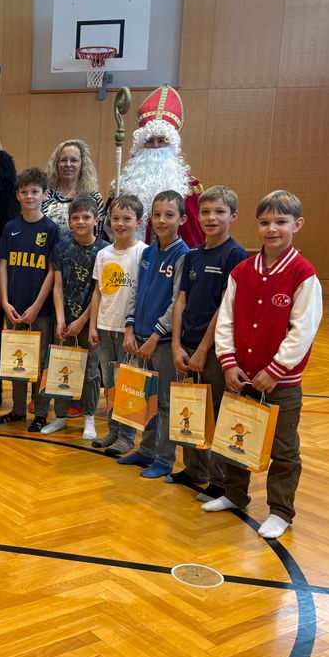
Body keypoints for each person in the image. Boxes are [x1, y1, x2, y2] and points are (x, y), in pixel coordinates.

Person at [207, 190, 322, 540]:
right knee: (235, 439)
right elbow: (224, 319)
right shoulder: (243, 270)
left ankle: (281, 511)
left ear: (297, 225)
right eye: (265, 222)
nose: (272, 229)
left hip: (281, 383)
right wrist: (227, 362)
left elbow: (303, 330)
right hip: (240, 375)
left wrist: (275, 370)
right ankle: (234, 493)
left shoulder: (304, 274)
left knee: (284, 449)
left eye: (281, 222)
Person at [168, 186, 248, 498]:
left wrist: (203, 349)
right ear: (196, 216)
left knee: (214, 413)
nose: (211, 218)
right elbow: (181, 301)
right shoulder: (192, 256)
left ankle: (218, 481)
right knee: (190, 410)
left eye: (219, 212)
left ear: (233, 216)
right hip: (186, 346)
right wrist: (177, 344)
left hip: (212, 351)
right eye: (205, 212)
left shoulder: (235, 255)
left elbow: (225, 306)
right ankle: (194, 469)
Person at [116, 191, 189, 477]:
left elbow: (176, 303)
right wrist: (131, 327)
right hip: (140, 338)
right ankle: (146, 450)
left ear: (182, 219)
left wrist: (156, 335)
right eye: (157, 215)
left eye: (169, 215)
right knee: (147, 399)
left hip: (162, 342)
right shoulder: (147, 252)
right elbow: (136, 291)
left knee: (166, 403)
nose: (161, 220)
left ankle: (164, 458)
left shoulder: (184, 255)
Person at [36, 195, 108, 440]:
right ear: (69, 220)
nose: (80, 222)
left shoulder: (104, 250)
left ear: (96, 220)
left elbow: (99, 290)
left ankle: (89, 417)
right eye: (75, 218)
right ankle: (60, 417)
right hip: (64, 321)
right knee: (61, 367)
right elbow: (57, 286)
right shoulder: (62, 248)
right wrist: (60, 320)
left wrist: (83, 321)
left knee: (90, 372)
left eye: (86, 217)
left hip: (90, 323)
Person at [0, 167, 60, 430]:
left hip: (40, 312)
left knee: (41, 363)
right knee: (17, 360)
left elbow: (52, 272)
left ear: (45, 194)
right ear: (17, 195)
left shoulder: (51, 229)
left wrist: (36, 306)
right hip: (14, 309)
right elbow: (2, 266)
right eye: (24, 192)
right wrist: (6, 302)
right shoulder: (11, 228)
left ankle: (41, 412)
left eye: (35, 191)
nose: (29, 196)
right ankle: (18, 410)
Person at [88, 194, 148, 455]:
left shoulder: (144, 252)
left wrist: (132, 328)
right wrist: (92, 325)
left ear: (139, 221)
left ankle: (127, 434)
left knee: (128, 384)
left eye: (127, 218)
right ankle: (113, 429)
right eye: (115, 218)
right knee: (110, 383)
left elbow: (143, 293)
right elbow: (98, 292)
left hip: (128, 331)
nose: (120, 224)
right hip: (104, 326)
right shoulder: (103, 253)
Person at [111, 85, 204, 249]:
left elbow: (195, 238)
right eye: (149, 140)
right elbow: (109, 230)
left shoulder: (189, 189)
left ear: (171, 146)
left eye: (161, 141)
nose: (155, 146)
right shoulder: (123, 185)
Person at [42, 139, 104, 235]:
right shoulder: (46, 196)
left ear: (82, 164)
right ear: (56, 164)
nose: (68, 164)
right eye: (63, 160)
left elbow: (99, 235)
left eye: (74, 160)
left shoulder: (94, 197)